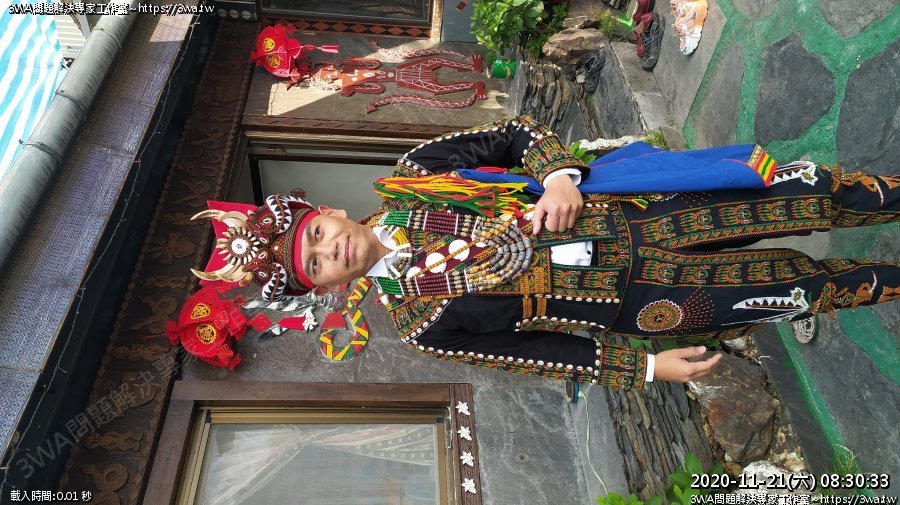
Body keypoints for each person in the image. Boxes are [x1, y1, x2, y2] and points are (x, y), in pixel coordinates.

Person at [192, 115, 899, 389]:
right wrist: (644, 365)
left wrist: (559, 174)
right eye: (313, 264)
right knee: (800, 288)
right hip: (642, 302)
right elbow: (533, 351)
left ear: (327, 211)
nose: (328, 249)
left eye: (315, 233)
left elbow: (515, 134)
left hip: (644, 208)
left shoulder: (416, 175)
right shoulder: (419, 323)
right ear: (322, 287)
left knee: (811, 196)